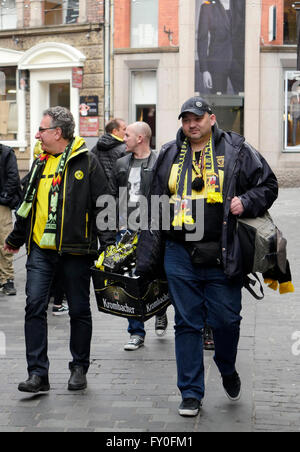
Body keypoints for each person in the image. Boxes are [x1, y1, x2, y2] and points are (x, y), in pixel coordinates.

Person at [135, 96, 278, 416]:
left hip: (222, 251)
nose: (191, 124)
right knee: (186, 323)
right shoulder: (170, 154)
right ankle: (190, 392)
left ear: (211, 119)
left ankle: (226, 366)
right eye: (186, 119)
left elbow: (268, 185)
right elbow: (153, 202)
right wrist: (145, 254)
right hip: (179, 251)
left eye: (197, 118)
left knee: (227, 320)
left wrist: (246, 201)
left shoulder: (237, 150)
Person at [4, 106, 113, 394]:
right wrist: (16, 238)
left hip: (76, 249)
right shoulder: (40, 163)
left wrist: (110, 246)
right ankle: (38, 374)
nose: (37, 134)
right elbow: (28, 206)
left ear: (58, 133)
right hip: (40, 249)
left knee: (78, 309)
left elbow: (104, 203)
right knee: (34, 306)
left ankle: (79, 367)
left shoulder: (86, 162)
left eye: (42, 129)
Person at [109, 121, 168, 351]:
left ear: (140, 138)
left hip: (152, 230)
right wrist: (115, 224)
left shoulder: (158, 163)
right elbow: (113, 195)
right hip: (126, 231)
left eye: (127, 135)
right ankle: (136, 332)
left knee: (157, 276)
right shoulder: (121, 163)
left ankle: (160, 310)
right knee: (129, 280)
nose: (124, 139)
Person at [197, 0, 245, 94]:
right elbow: (202, 39)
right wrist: (205, 70)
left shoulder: (242, 4)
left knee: (245, 102)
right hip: (217, 63)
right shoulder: (207, 7)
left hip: (240, 63)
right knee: (217, 103)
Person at [0, 143, 21, 296]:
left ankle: (7, 279)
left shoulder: (6, 152)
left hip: (1, 205)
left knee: (4, 240)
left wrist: (4, 197)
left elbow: (13, 177)